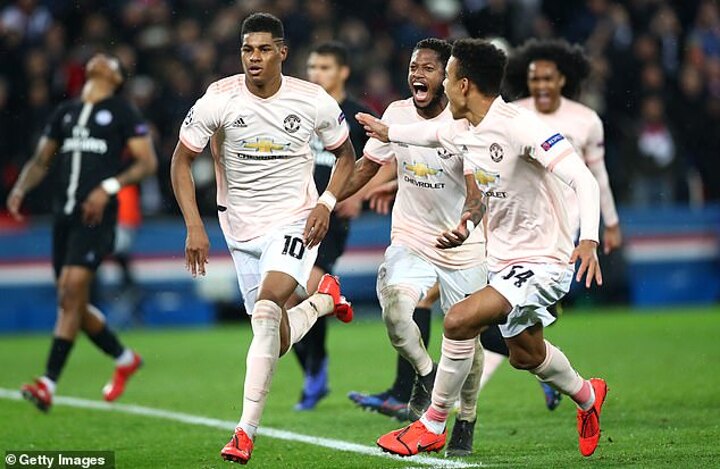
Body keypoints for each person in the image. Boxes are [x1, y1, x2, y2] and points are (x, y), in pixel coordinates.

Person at [357, 38, 607, 458]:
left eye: (448, 77)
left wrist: (590, 239)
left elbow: (584, 178)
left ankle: (432, 423)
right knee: (526, 354)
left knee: (458, 320)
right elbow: (427, 134)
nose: (442, 86)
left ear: (464, 85)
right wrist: (388, 132)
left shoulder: (521, 126)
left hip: (545, 258)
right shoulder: (463, 128)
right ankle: (588, 395)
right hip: (503, 259)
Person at [169, 13, 356, 465]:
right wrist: (194, 225)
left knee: (269, 308)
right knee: (275, 336)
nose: (254, 57)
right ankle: (323, 301)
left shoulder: (311, 100)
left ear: (282, 53)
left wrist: (326, 202)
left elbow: (346, 155)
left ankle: (244, 432)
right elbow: (180, 160)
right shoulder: (219, 98)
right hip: (238, 228)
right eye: (247, 49)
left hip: (293, 221)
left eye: (264, 49)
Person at [335, 38, 489, 457]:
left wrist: (467, 224)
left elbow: (477, 194)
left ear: (449, 77)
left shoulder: (465, 123)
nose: (417, 75)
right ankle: (427, 373)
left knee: (468, 338)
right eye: (413, 67)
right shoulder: (397, 113)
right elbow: (368, 166)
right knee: (396, 311)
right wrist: (326, 199)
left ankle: (467, 418)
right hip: (412, 236)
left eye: (428, 68)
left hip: (462, 242)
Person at [6, 53, 157, 411]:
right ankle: (124, 359)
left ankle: (48, 383)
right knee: (70, 300)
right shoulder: (66, 112)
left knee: (71, 290)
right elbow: (41, 160)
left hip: (96, 217)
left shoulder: (122, 112)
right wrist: (20, 188)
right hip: (64, 216)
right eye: (98, 56)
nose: (101, 58)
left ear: (116, 78)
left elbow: (147, 163)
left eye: (110, 60)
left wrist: (108, 187)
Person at [289, 41, 373, 411]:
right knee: (284, 298)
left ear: (343, 72)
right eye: (312, 67)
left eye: (324, 67)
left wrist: (360, 194)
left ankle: (315, 369)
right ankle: (314, 366)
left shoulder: (357, 116)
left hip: (331, 217)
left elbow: (385, 157)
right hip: (292, 213)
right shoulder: (297, 109)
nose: (316, 74)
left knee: (308, 288)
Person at [507, 38, 622, 253]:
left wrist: (611, 223)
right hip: (521, 219)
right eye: (535, 79)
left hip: (567, 220)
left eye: (548, 79)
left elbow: (598, 174)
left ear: (561, 80)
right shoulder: (510, 114)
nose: (541, 86)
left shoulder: (587, 120)